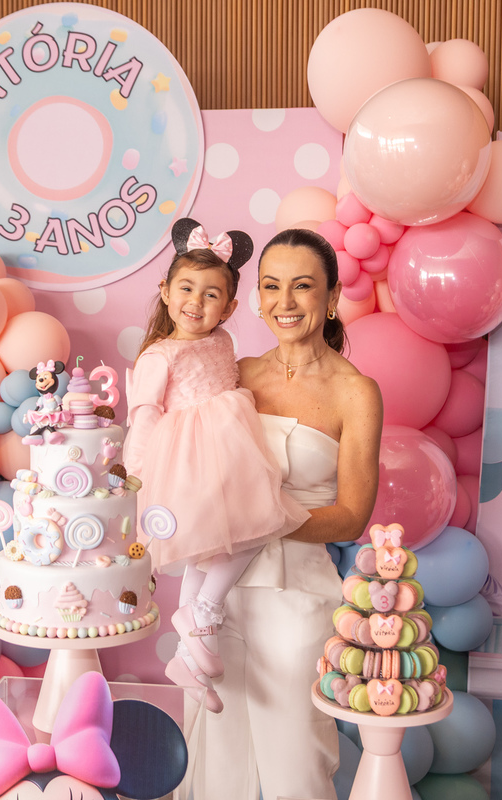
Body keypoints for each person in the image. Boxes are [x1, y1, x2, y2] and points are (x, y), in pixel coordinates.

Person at [192, 227, 383, 800]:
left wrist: (267, 517)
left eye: (302, 286)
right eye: (271, 286)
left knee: (297, 760)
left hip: (298, 598)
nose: (285, 302)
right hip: (217, 596)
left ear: (332, 297)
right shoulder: (237, 372)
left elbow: (352, 517)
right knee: (218, 754)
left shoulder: (356, 392)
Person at [125, 218, 311, 713]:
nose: (196, 302)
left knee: (216, 545)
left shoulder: (223, 341)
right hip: (185, 459)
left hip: (229, 451)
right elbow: (144, 416)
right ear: (165, 292)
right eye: (186, 289)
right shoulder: (159, 355)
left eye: (211, 295)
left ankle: (187, 657)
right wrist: (138, 474)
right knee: (250, 528)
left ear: (228, 308)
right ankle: (202, 614)